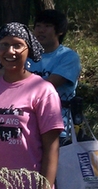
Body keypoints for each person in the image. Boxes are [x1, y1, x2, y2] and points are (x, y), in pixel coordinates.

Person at [0, 23, 63, 189]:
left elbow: (52, 148)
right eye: (4, 45)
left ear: (29, 50)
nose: (10, 51)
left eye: (17, 45)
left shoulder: (43, 90)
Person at [30, 9, 81, 143]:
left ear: (60, 31)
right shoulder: (26, 56)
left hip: (60, 128)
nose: (41, 30)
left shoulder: (68, 57)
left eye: (47, 26)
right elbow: (1, 75)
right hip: (28, 126)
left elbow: (48, 85)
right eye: (38, 26)